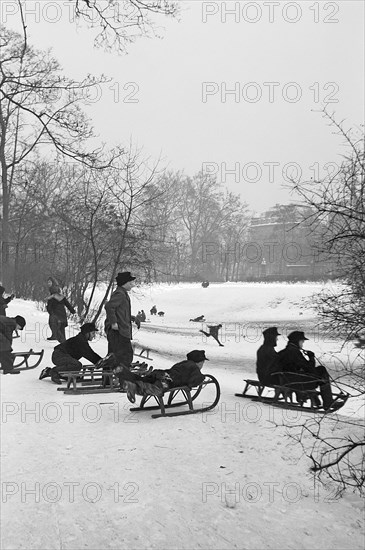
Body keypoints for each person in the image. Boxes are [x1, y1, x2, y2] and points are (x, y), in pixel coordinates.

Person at [277, 331, 341, 410]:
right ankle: (328, 402)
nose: (302, 344)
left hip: (287, 381)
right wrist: (311, 358)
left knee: (319, 372)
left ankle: (319, 400)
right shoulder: (295, 353)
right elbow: (310, 369)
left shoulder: (282, 352)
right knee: (322, 370)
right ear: (297, 341)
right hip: (298, 383)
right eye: (302, 342)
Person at [118, 349, 208, 403]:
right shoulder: (195, 369)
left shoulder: (183, 363)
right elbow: (194, 381)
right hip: (169, 380)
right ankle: (135, 387)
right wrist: (202, 378)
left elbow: (173, 369)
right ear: (200, 362)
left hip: (161, 373)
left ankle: (128, 377)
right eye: (202, 363)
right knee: (157, 388)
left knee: (145, 379)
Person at [104, 271, 136, 369]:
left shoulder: (122, 293)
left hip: (120, 331)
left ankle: (108, 381)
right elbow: (109, 307)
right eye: (131, 283)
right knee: (126, 356)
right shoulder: (120, 294)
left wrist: (132, 318)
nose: (132, 285)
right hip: (118, 332)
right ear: (124, 283)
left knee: (113, 356)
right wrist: (114, 323)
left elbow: (120, 312)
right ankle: (123, 379)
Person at [46, 278, 76, 342]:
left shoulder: (55, 291)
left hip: (58, 313)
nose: (48, 283)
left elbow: (65, 302)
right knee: (54, 325)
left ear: (53, 283)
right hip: (55, 312)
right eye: (48, 282)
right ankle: (55, 336)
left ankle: (63, 343)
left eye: (50, 282)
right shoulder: (52, 290)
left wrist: (72, 310)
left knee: (59, 327)